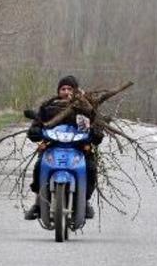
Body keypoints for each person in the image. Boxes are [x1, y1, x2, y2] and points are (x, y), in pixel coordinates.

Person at [24, 76, 103, 220]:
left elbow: (96, 126)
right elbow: (36, 125)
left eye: (70, 89)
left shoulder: (85, 108)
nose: (66, 92)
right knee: (38, 166)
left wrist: (95, 133)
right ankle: (38, 203)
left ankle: (84, 201)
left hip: (79, 147)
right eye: (63, 89)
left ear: (76, 91)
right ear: (58, 91)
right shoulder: (48, 107)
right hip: (53, 146)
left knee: (90, 168)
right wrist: (35, 131)